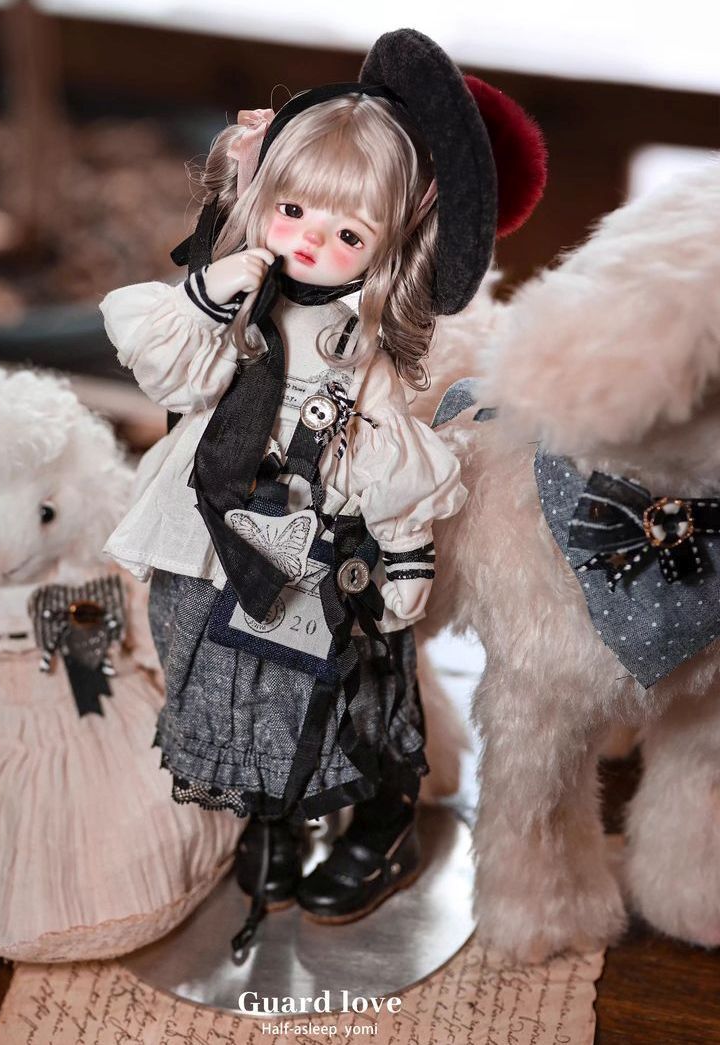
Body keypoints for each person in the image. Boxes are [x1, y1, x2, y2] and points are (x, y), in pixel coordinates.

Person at [100, 29, 546, 956]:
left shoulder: (358, 348)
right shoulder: (228, 296)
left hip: (317, 540)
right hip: (210, 529)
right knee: (219, 669)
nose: (308, 239)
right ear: (263, 193)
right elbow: (169, 373)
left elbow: (391, 456)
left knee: (338, 684)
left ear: (387, 250)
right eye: (293, 209)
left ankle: (377, 826)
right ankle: (267, 817)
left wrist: (406, 552)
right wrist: (214, 290)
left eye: (347, 234)